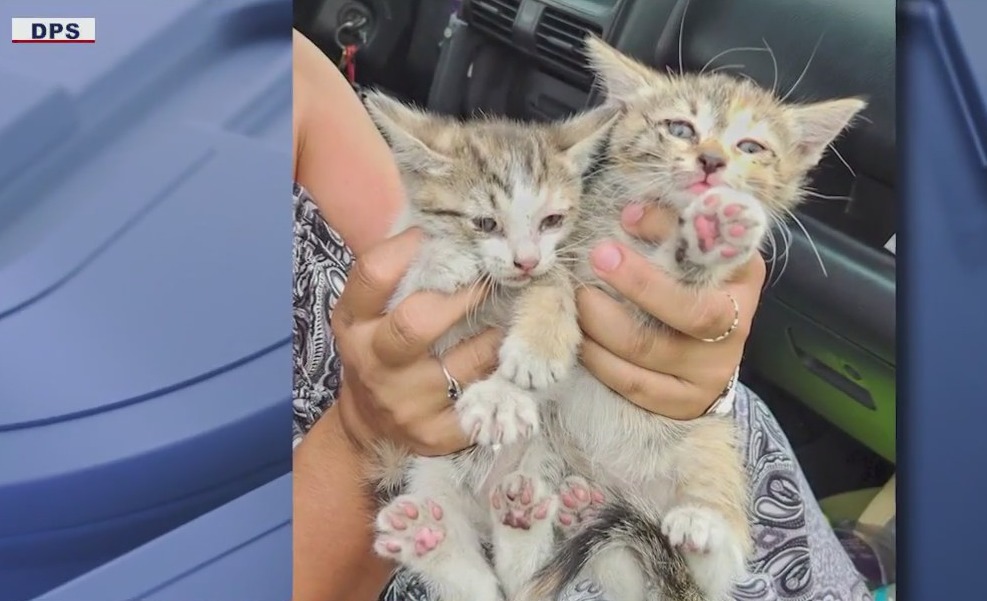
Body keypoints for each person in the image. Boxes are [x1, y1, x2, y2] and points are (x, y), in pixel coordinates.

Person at [290, 29, 870, 601]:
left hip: (639, 438)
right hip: (495, 466)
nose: (712, 156)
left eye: (749, 148)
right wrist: (363, 432)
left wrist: (708, 342)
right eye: (680, 129)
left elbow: (429, 225)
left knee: (714, 465)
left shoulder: (288, 70)